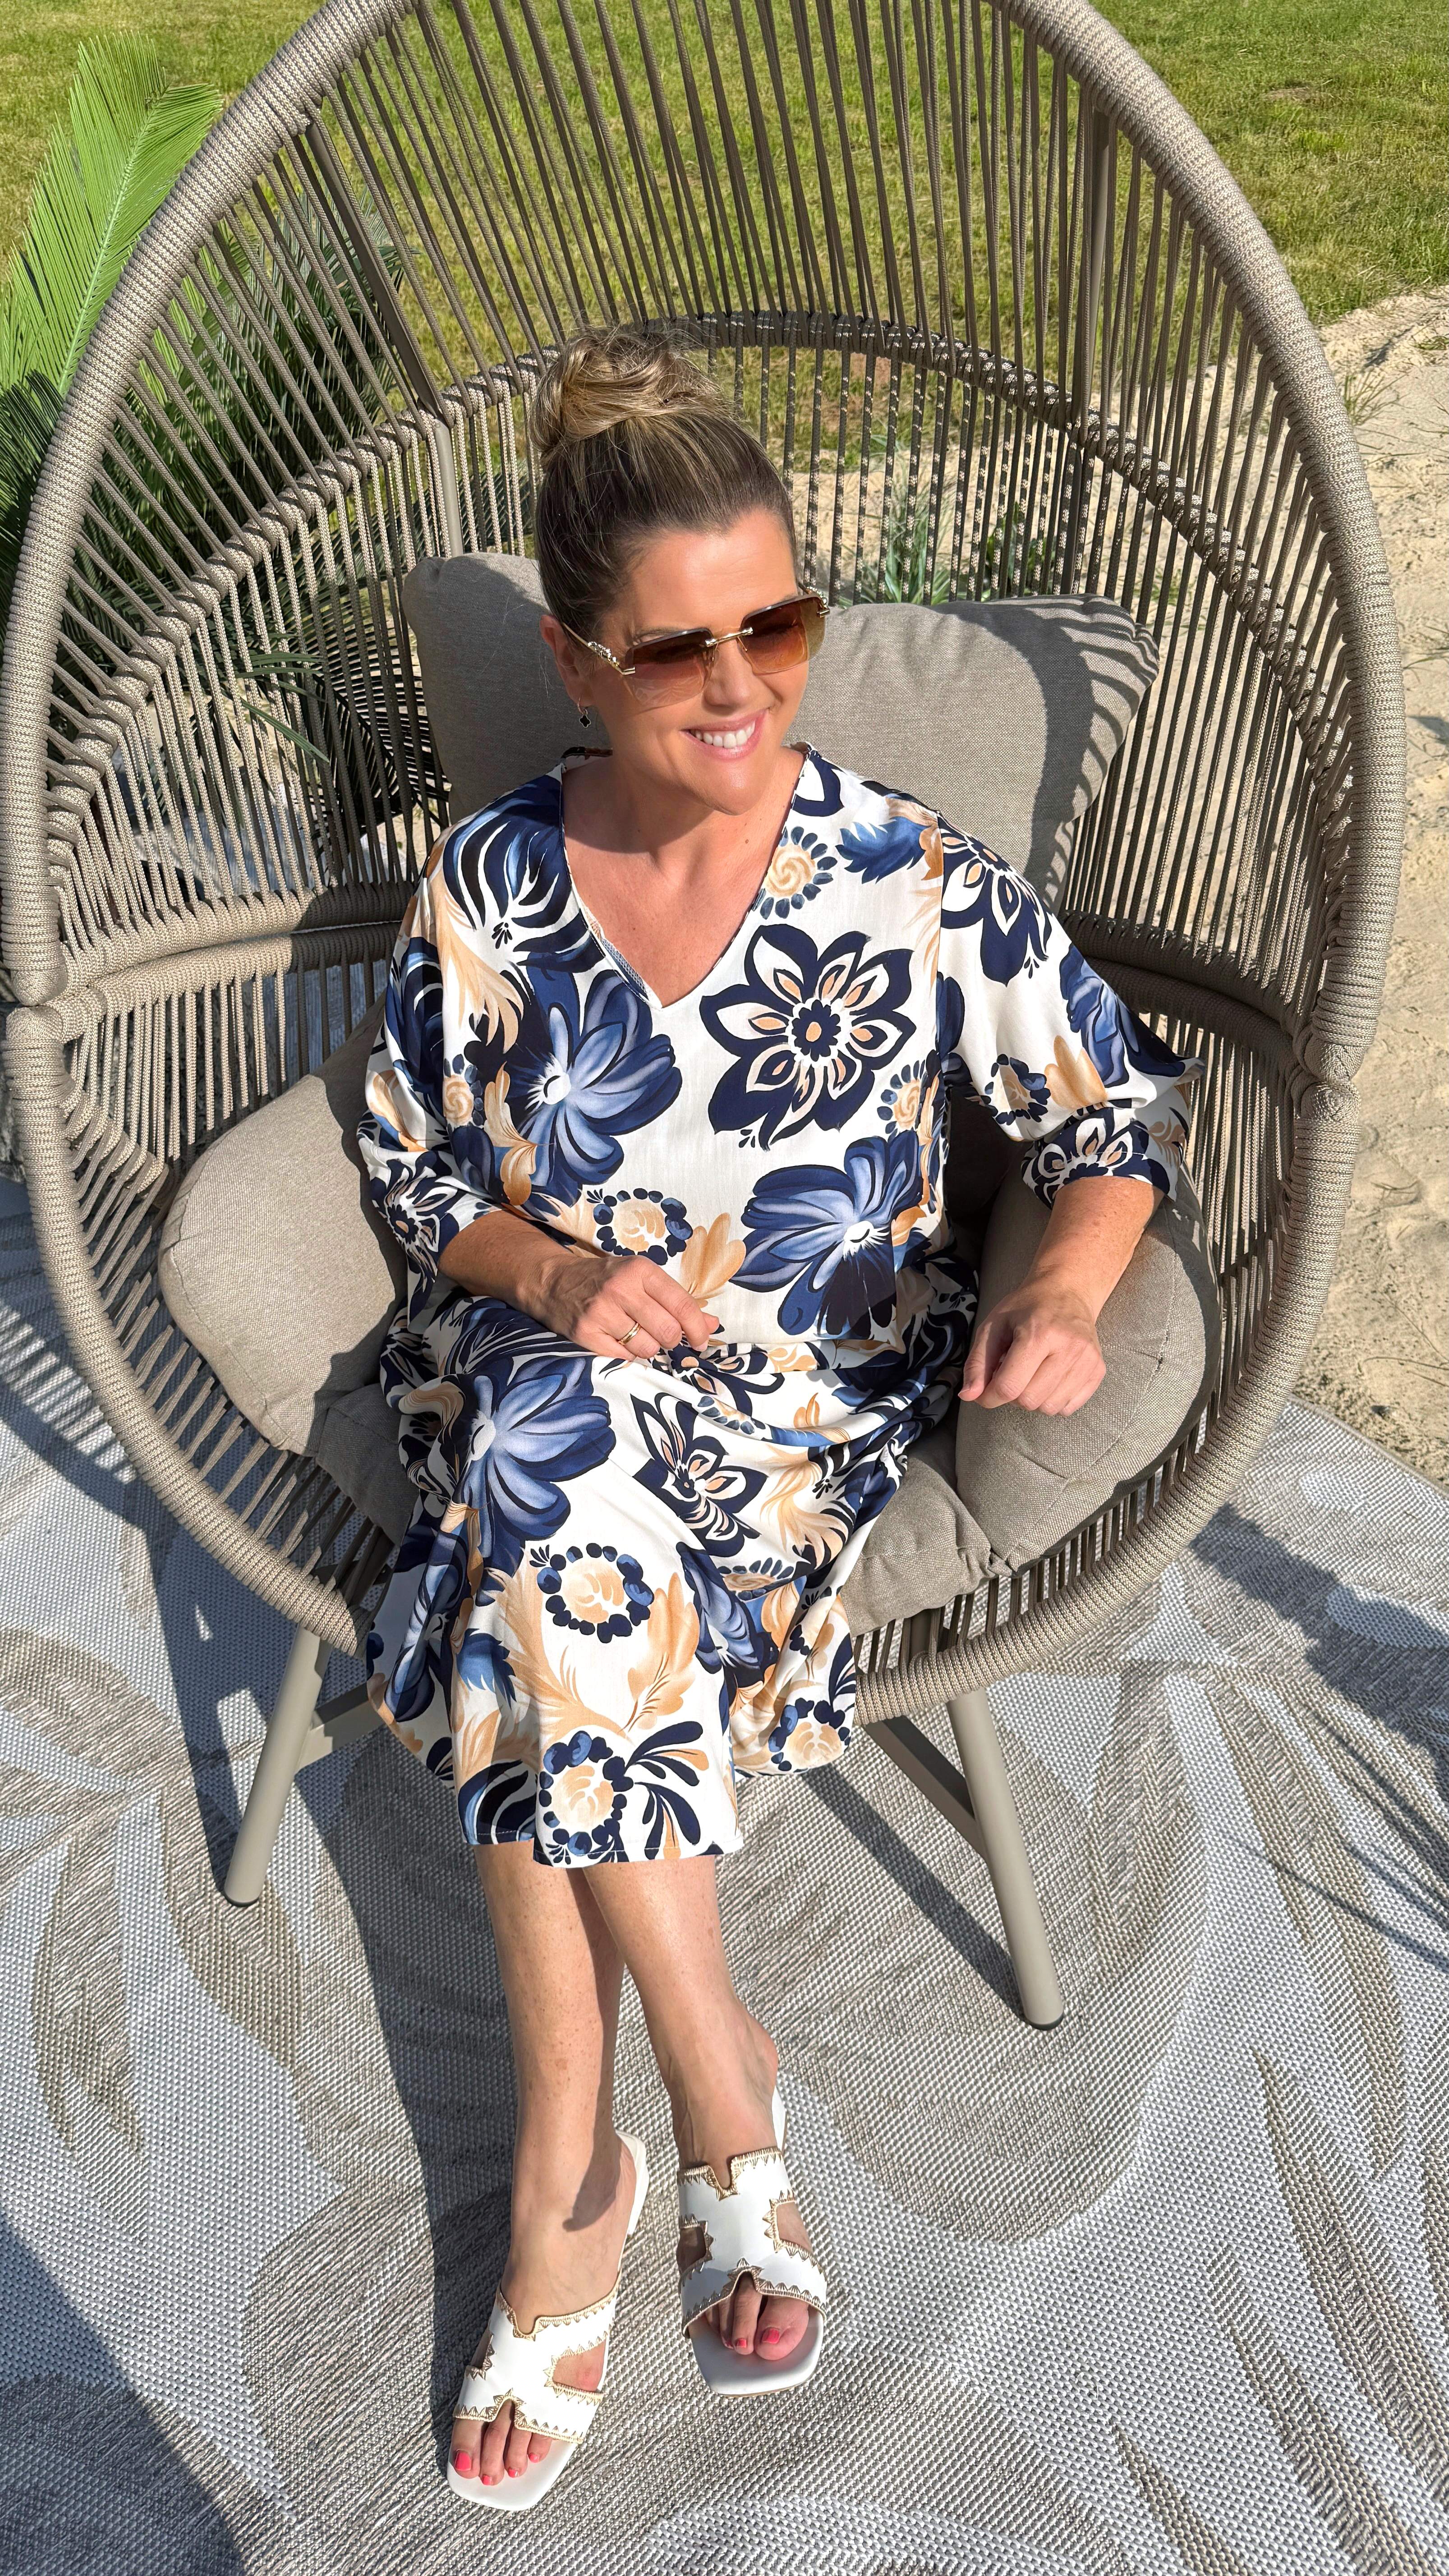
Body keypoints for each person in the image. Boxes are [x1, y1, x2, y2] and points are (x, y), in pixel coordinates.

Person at [357, 325, 1195, 2511]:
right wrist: (556, 1278)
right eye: (678, 649)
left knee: (524, 1546)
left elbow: (1107, 1122)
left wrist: (1065, 1293)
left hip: (798, 1414)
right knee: (545, 1460)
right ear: (575, 659)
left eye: (779, 625)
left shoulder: (902, 877)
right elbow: (417, 1174)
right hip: (541, 1370)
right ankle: (712, 2091)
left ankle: (581, 2165)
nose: (741, 686)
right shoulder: (493, 884)